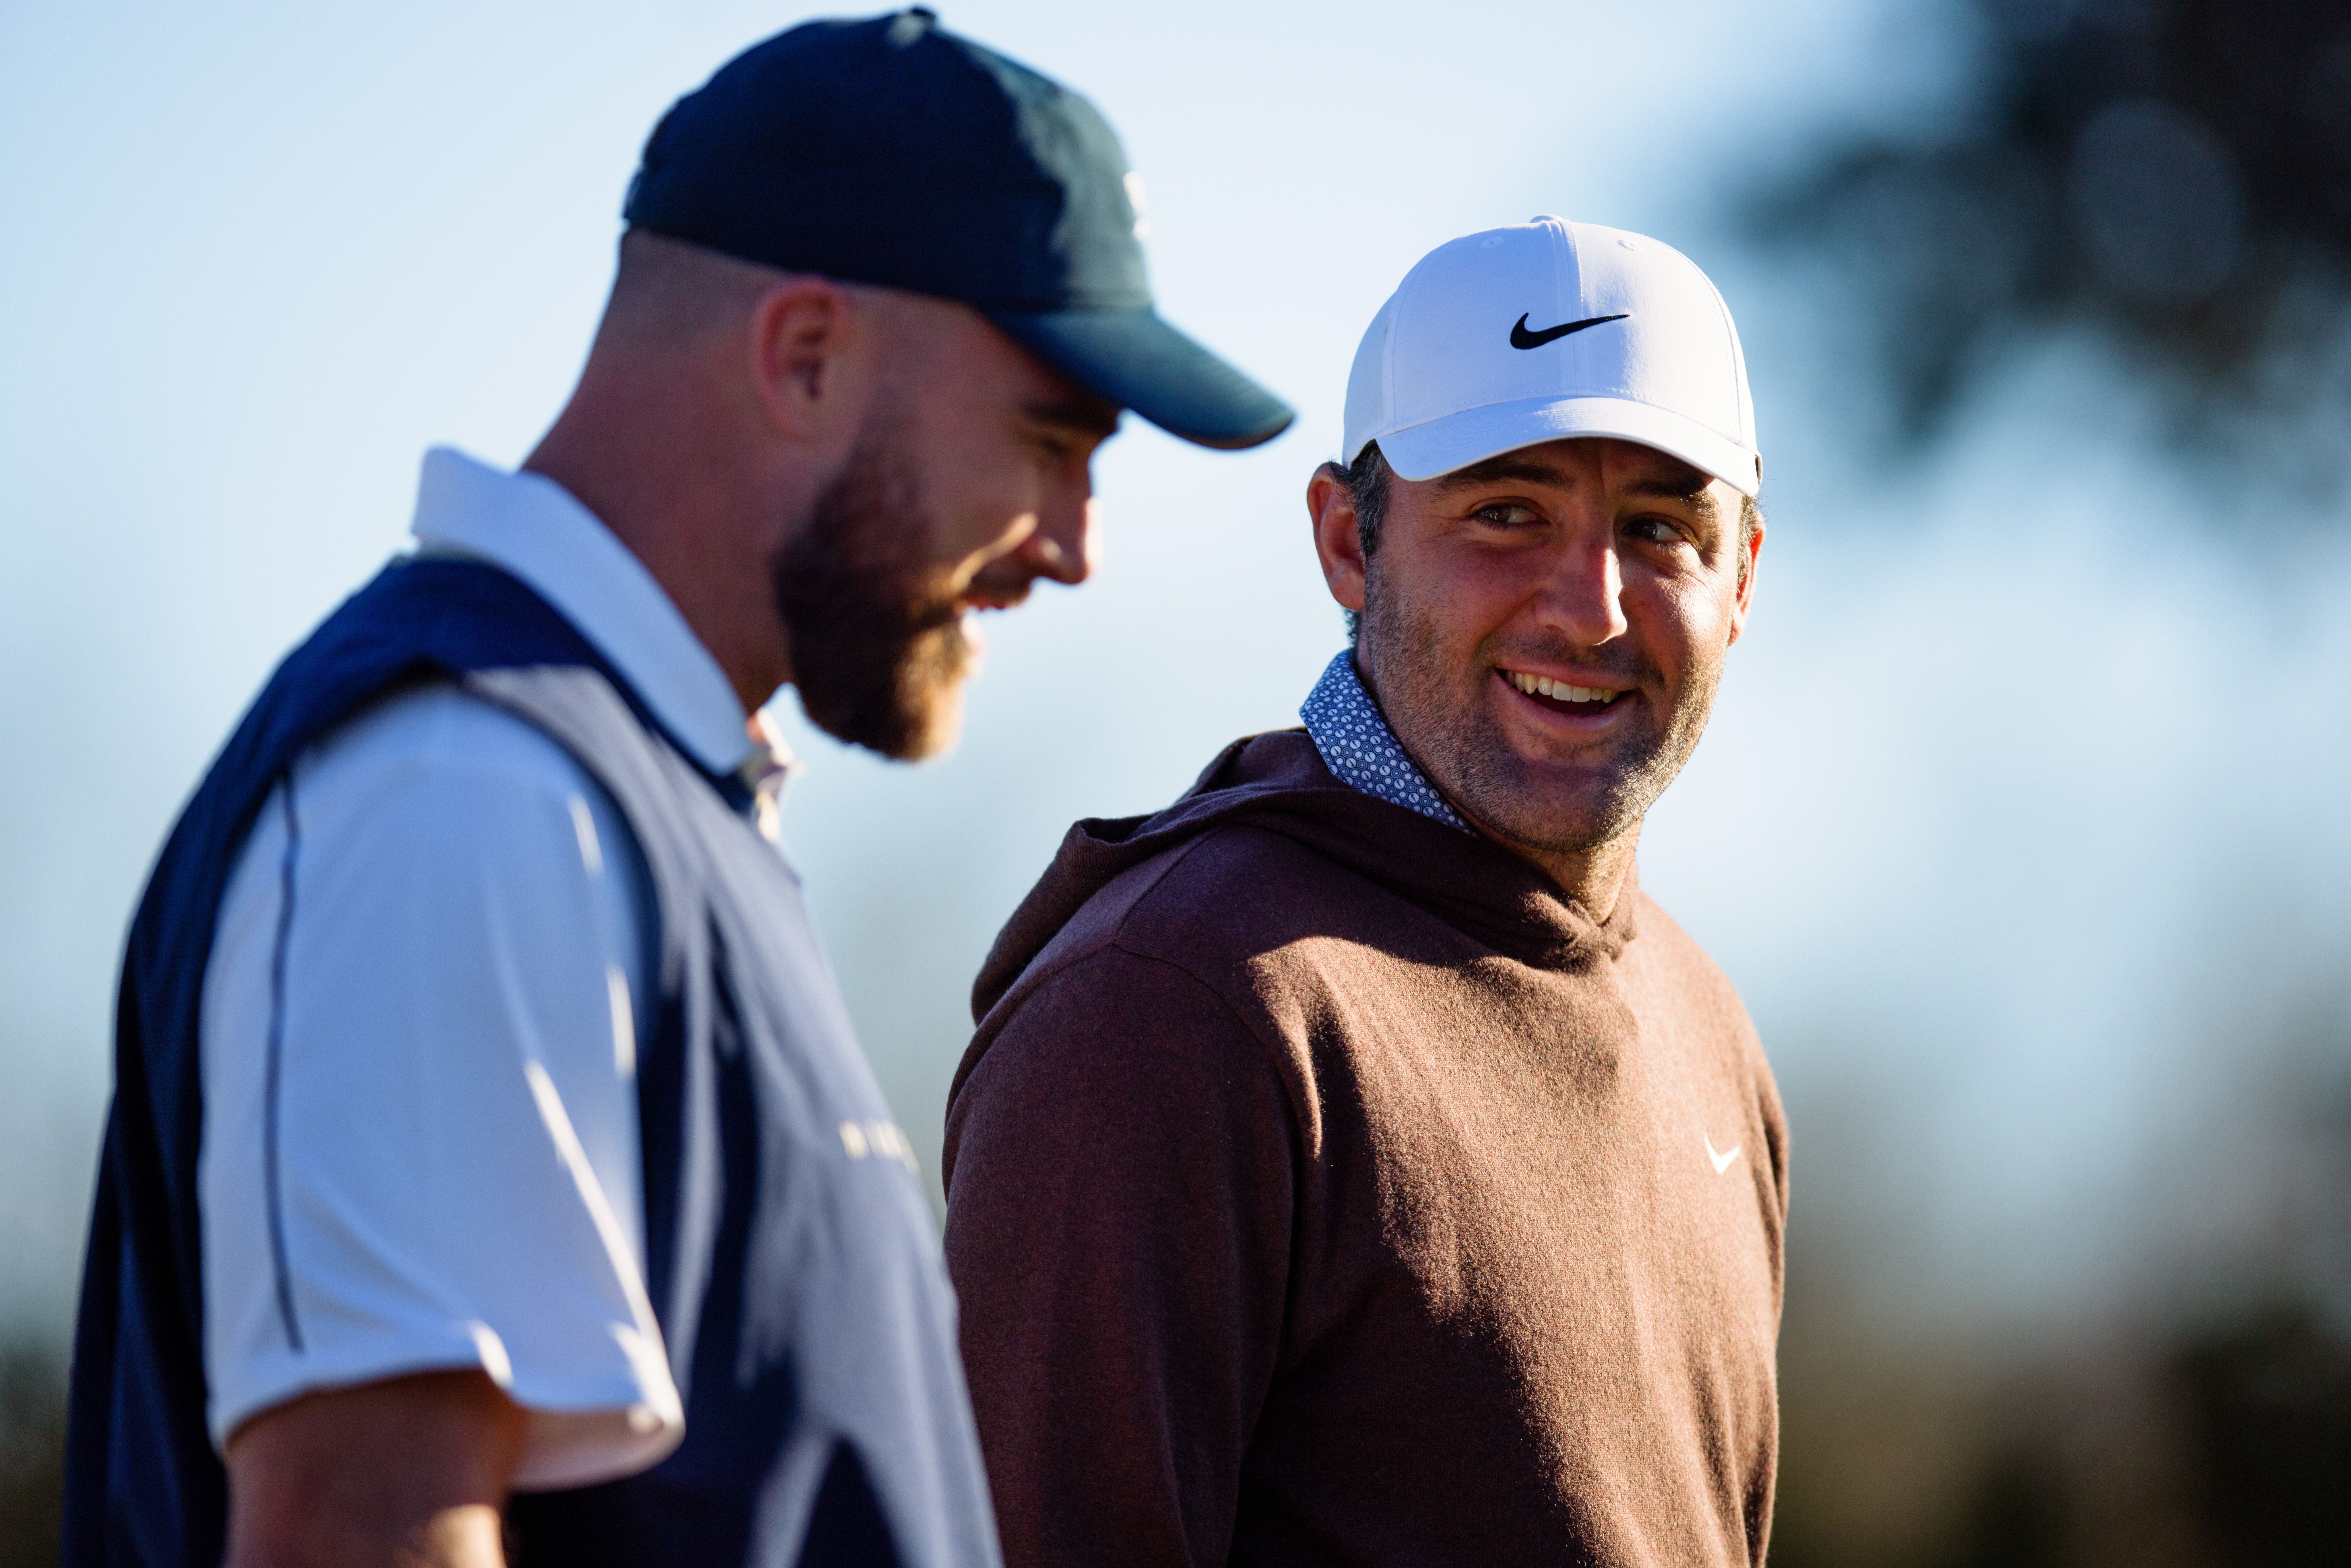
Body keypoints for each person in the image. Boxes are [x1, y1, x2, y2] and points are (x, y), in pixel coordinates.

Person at [61, 12, 1291, 1568]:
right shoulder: (471, 788)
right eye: (1050, 439)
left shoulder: (612, 788)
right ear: (806, 356)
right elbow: (366, 1527)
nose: (1075, 543)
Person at [941, 216, 1784, 1567]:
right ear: (1348, 541)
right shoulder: (1175, 1004)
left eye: (1658, 529)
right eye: (1505, 513)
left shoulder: (1706, 1024)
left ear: (1738, 577)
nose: (1592, 607)